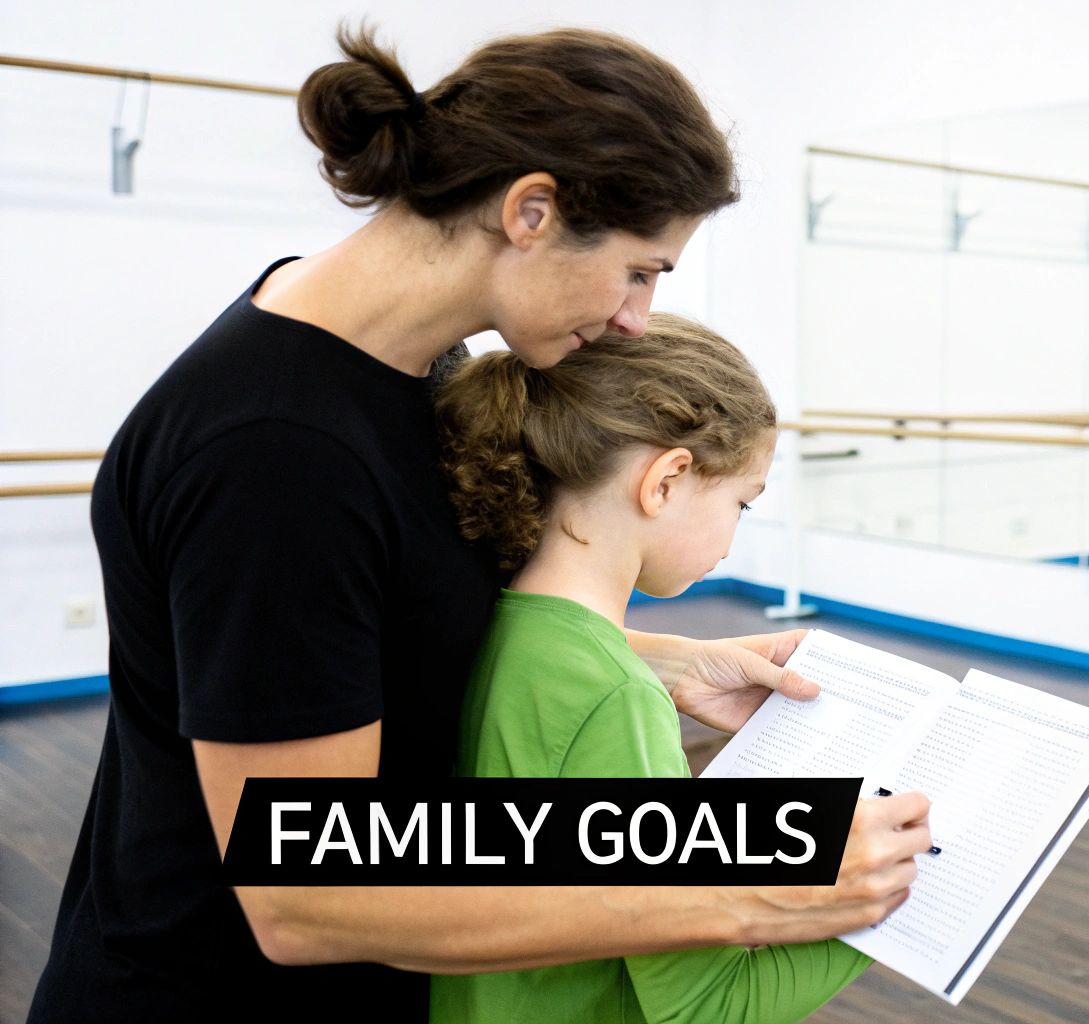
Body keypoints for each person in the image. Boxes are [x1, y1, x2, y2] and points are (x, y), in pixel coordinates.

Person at [29, 25, 928, 1024]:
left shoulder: (416, 372)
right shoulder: (277, 455)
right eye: (640, 269)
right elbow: (304, 889)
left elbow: (370, 639)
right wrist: (766, 871)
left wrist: (653, 662)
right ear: (530, 211)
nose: (635, 318)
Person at [429, 314, 872, 1023]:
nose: (736, 529)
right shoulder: (618, 698)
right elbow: (707, 1006)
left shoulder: (485, 628)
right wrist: (888, 900)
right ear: (666, 480)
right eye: (742, 503)